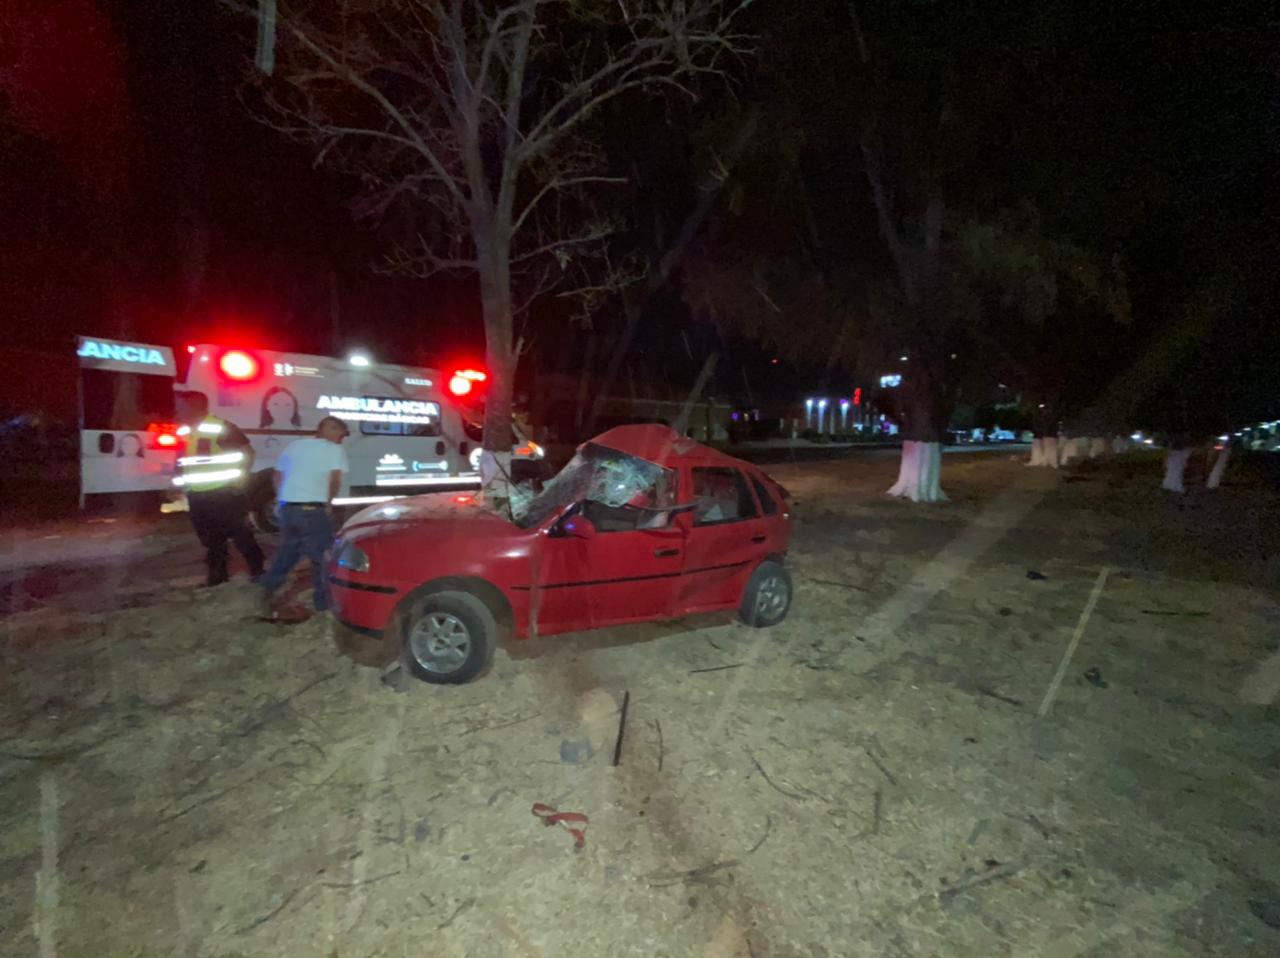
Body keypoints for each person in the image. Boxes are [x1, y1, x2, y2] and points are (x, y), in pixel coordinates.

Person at [259, 415, 349, 615]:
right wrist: (328, 502)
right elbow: (334, 480)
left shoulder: (295, 445)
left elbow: (277, 475)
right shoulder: (334, 450)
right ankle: (323, 603)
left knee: (289, 551)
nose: (340, 439)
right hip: (311, 509)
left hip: (288, 508)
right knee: (321, 557)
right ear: (328, 430)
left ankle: (267, 587)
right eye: (339, 434)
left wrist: (282, 498)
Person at [175, 391, 265, 586]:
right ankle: (217, 578)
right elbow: (186, 462)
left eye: (181, 405)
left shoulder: (220, 427)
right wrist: (181, 486)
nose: (177, 409)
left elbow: (248, 453)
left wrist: (239, 482)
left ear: (195, 406)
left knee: (242, 536)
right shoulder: (185, 431)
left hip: (224, 494)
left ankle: (258, 572)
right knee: (211, 540)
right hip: (198, 495)